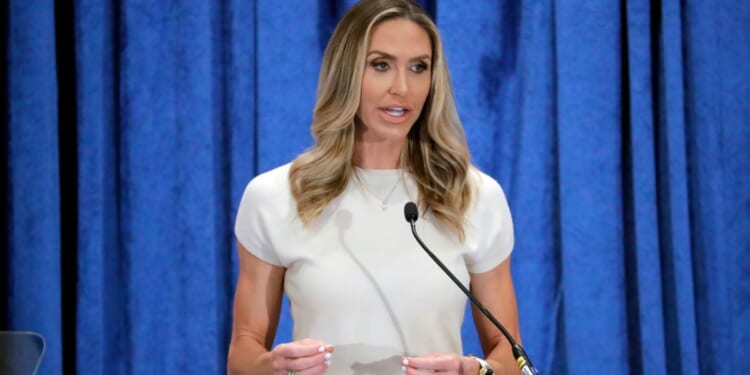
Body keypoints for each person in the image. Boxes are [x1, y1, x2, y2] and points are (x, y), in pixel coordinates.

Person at [227, 0, 523, 374]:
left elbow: (512, 357)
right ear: (346, 72)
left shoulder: (474, 197)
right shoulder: (274, 196)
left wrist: (474, 371)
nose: (402, 88)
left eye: (419, 67)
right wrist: (274, 367)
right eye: (381, 65)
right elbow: (242, 353)